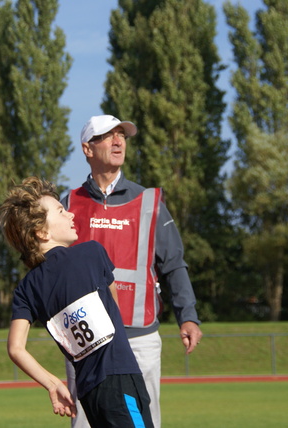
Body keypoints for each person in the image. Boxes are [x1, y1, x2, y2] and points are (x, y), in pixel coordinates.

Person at [61, 115, 203, 428]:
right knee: (86, 423)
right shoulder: (68, 202)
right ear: (87, 148)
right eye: (108, 136)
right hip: (86, 339)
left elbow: (174, 263)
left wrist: (188, 315)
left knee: (143, 422)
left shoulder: (149, 202)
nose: (118, 141)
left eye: (122, 135)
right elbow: (53, 266)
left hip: (141, 335)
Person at [0, 176, 154, 428]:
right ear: (41, 231)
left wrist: (53, 383)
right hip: (120, 377)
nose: (70, 215)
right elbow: (114, 305)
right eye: (60, 211)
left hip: (88, 392)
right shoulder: (91, 252)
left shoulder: (26, 288)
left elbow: (16, 349)